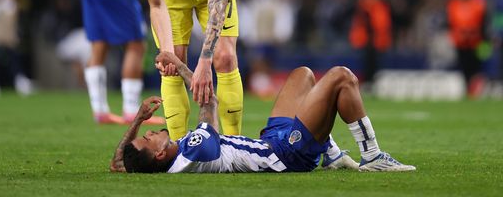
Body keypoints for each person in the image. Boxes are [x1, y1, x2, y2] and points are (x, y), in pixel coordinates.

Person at [110, 51, 416, 173]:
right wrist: (179, 66)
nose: (150, 132)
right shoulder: (195, 150)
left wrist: (138, 119)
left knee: (303, 74)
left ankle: (332, 154)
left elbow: (118, 161)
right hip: (286, 154)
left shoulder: (167, 158)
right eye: (149, 138)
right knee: (342, 76)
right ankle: (373, 156)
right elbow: (209, 102)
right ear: (160, 154)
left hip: (271, 140)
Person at [136, 0, 243, 139]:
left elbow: (218, 2)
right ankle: (177, 146)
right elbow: (156, 4)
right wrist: (167, 54)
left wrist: (205, 61)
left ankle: (234, 141)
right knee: (171, 66)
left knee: (224, 57)